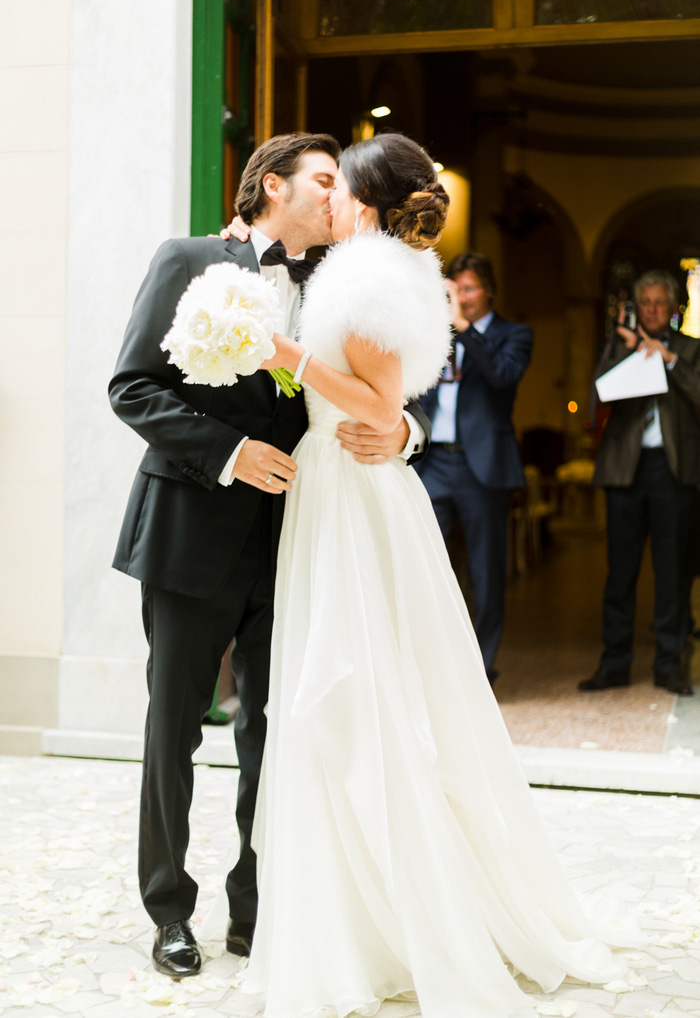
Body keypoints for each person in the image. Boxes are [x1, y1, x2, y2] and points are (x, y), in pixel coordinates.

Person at [238, 134, 628, 1018]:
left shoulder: (368, 275)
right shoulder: (390, 267)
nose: (328, 196)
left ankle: (379, 920)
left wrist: (284, 356)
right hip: (353, 477)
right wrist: (397, 425)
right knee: (365, 687)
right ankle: (351, 916)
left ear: (366, 200)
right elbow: (398, 407)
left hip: (350, 488)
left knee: (356, 689)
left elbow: (379, 403)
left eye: (340, 185)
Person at [108, 132, 430, 979]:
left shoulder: (338, 284)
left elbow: (375, 389)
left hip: (296, 543)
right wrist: (229, 452)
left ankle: (256, 907)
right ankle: (169, 910)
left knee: (273, 735)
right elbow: (132, 386)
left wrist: (403, 430)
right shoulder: (187, 259)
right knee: (173, 726)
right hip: (189, 533)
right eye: (322, 181)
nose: (335, 197)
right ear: (269, 184)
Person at [579, 270, 700, 696]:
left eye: (658, 303)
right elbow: (597, 394)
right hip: (624, 470)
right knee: (620, 572)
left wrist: (669, 360)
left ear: (672, 309)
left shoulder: (691, 349)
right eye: (644, 302)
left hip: (674, 470)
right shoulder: (618, 343)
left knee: (672, 572)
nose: (651, 309)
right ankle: (614, 663)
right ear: (637, 307)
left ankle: (670, 664)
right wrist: (629, 355)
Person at [416, 252, 533, 684]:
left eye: (468, 289)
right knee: (421, 561)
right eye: (454, 290)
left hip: (482, 465)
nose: (460, 298)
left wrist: (465, 332)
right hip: (433, 463)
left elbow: (503, 376)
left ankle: (481, 668)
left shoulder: (513, 334)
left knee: (487, 571)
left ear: (488, 291)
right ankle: (429, 663)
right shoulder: (433, 332)